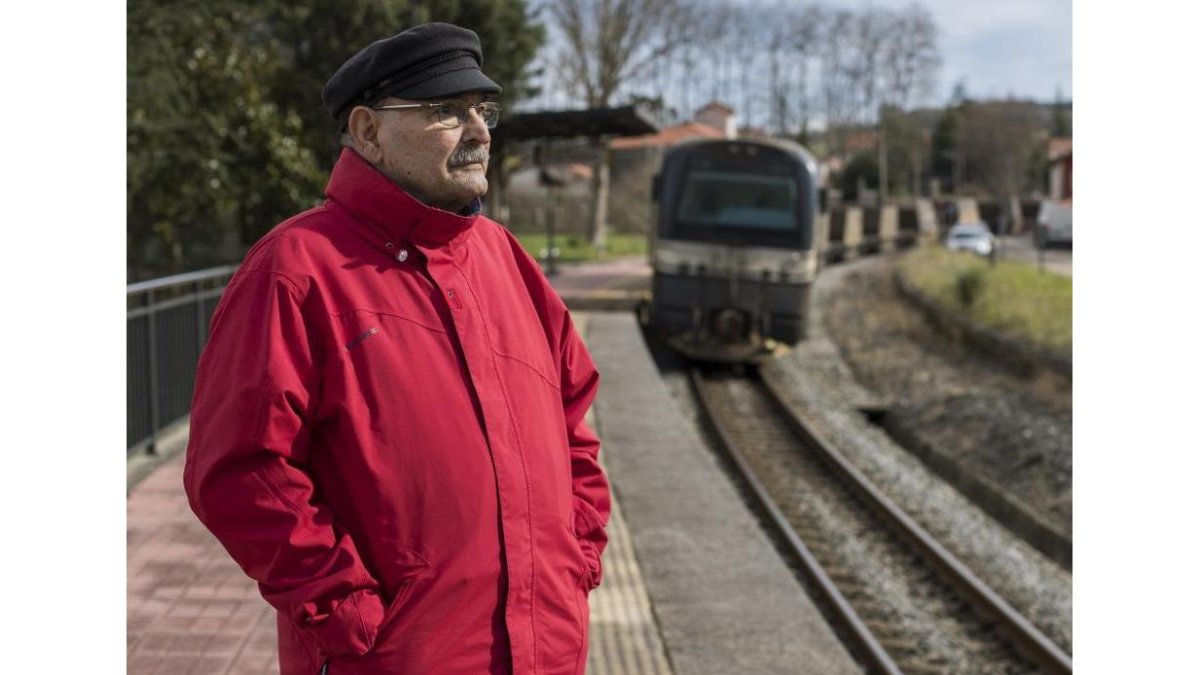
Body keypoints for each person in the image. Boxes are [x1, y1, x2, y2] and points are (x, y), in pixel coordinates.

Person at [183, 22, 610, 675]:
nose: (478, 131)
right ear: (369, 130)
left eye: (482, 109)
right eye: (445, 111)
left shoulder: (506, 260)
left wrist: (576, 554)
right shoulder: (295, 270)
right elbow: (238, 468)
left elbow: (574, 421)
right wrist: (342, 607)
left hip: (547, 652)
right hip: (391, 656)